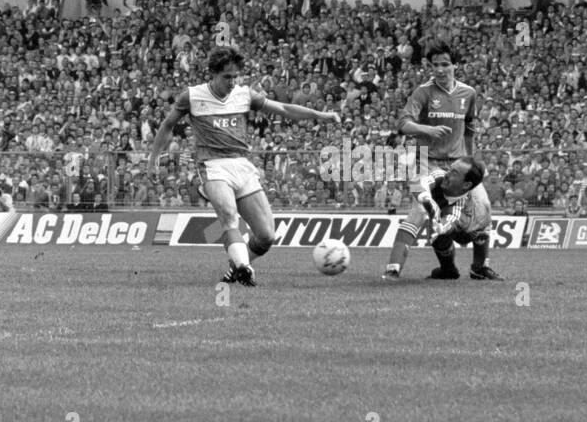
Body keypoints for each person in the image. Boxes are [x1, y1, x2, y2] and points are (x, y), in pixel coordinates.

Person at [147, 48, 339, 285]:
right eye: (227, 76)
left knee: (267, 236)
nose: (232, 81)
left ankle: (237, 268)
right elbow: (167, 126)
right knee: (228, 216)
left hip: (242, 165)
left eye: (235, 76)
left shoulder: (245, 95)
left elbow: (284, 109)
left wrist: (320, 115)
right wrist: (153, 160)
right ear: (213, 74)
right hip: (212, 165)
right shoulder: (192, 96)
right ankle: (243, 268)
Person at [383, 40, 497, 279]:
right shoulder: (423, 92)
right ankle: (393, 269)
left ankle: (479, 267)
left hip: (458, 163)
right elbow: (403, 124)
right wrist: (427, 130)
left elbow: (470, 127)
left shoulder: (468, 93)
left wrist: (471, 158)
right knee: (422, 209)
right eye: (435, 65)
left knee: (483, 207)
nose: (440, 69)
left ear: (455, 65)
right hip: (427, 161)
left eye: (445, 64)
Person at [416, 157, 502, 280]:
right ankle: (448, 270)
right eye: (450, 170)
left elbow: (451, 220)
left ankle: (479, 267)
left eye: (454, 173)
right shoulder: (439, 175)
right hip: (450, 212)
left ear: (466, 184)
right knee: (437, 236)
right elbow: (422, 182)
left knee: (479, 223)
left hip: (467, 222)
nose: (447, 174)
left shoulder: (467, 207)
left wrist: (442, 225)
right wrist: (427, 199)